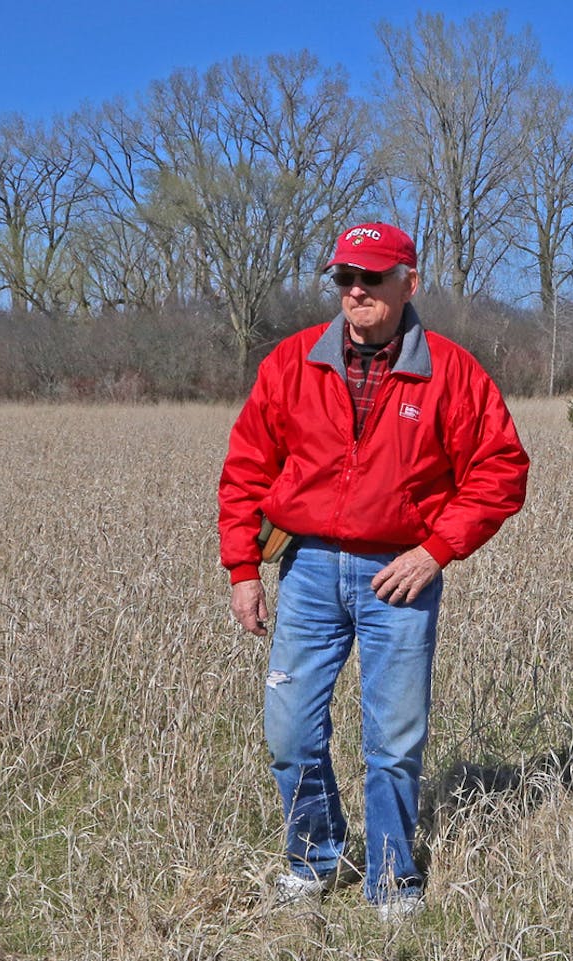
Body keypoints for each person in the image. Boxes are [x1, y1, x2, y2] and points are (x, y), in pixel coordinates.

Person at [217, 222, 530, 920]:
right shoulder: (293, 362)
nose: (355, 290)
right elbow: (246, 468)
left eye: (372, 277)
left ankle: (391, 877)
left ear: (408, 283)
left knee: (393, 738)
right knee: (290, 729)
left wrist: (434, 550)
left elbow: (501, 469)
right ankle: (314, 856)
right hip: (304, 568)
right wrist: (244, 567)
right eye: (344, 278)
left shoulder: (450, 370)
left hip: (400, 573)